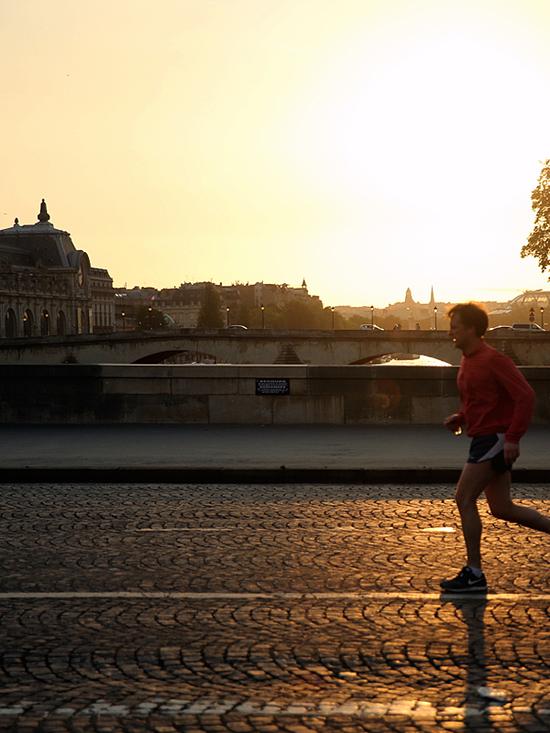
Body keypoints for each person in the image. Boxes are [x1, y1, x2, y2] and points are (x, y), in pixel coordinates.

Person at [440, 302, 550, 592]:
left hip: (494, 439)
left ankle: (474, 573)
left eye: (455, 326)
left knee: (464, 498)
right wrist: (461, 417)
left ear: (472, 329)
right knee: (502, 508)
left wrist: (513, 437)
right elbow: (482, 399)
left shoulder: (493, 359)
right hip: (484, 437)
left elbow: (525, 396)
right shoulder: (468, 359)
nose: (450, 331)